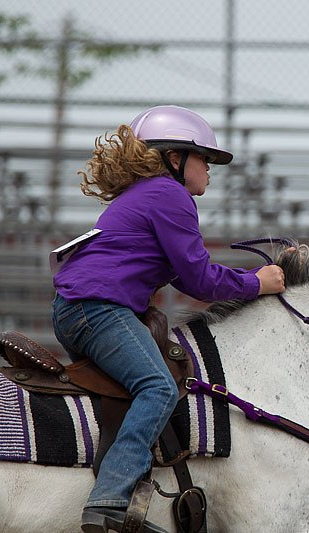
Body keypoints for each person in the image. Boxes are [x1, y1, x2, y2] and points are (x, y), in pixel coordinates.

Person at [51, 105, 286, 533]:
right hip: (97, 309)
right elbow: (198, 278)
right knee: (158, 387)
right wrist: (257, 284)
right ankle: (108, 501)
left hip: (81, 308)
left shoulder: (146, 195)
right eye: (204, 159)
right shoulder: (168, 194)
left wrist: (247, 280)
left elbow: (184, 271)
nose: (210, 170)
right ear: (175, 159)